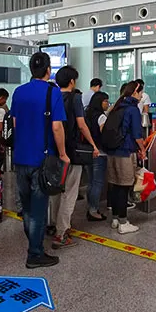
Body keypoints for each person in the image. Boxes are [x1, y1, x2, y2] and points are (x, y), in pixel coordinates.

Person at [11, 52, 68, 269]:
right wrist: (62, 154)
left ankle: (33, 241)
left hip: (20, 157)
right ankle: (35, 253)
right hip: (41, 159)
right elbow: (57, 127)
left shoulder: (18, 92)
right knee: (38, 207)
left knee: (26, 206)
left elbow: (15, 123)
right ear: (48, 70)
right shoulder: (52, 93)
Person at [49, 66, 99, 249]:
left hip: (53, 150)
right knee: (70, 192)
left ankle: (55, 225)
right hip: (70, 151)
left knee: (55, 191)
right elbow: (81, 125)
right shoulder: (75, 98)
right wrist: (93, 145)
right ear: (72, 81)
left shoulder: (52, 96)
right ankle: (62, 233)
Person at [105, 81, 146, 234]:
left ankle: (115, 218)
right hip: (125, 152)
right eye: (141, 92)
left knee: (115, 185)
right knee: (123, 186)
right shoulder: (132, 109)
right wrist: (142, 150)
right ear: (135, 92)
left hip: (112, 151)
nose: (142, 95)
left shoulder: (117, 106)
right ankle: (123, 222)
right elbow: (137, 134)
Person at [85, 91, 110, 221]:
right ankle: (93, 210)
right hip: (99, 153)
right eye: (106, 101)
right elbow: (105, 135)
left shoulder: (87, 114)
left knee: (90, 182)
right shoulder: (101, 117)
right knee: (98, 183)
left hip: (87, 152)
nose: (107, 104)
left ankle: (90, 207)